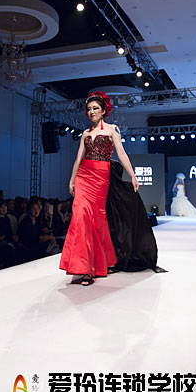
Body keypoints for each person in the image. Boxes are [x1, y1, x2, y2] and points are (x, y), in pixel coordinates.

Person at [59, 91, 139, 286]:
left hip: (101, 178)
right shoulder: (85, 134)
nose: (91, 112)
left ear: (103, 111)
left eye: (95, 108)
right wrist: (72, 180)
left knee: (97, 221)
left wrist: (133, 175)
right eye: (88, 109)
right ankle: (85, 269)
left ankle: (104, 261)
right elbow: (78, 158)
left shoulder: (112, 130)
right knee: (80, 216)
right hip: (83, 176)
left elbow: (121, 154)